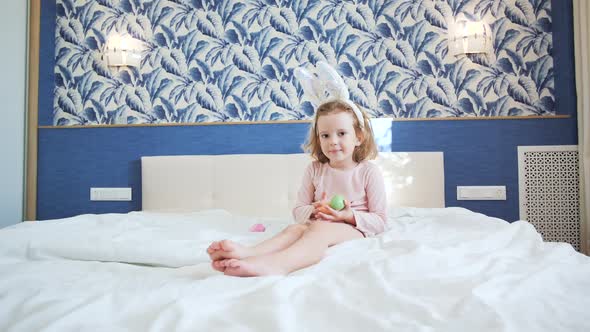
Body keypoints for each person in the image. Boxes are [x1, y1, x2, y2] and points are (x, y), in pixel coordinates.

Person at [207, 99, 388, 277]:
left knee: (320, 230)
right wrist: (314, 208)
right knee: (294, 230)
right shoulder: (315, 170)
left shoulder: (368, 172)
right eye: (325, 135)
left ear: (358, 137)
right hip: (317, 223)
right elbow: (298, 212)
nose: (333, 141)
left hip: (353, 230)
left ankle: (278, 265)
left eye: (341, 133)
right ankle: (249, 253)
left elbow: (380, 221)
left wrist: (348, 215)